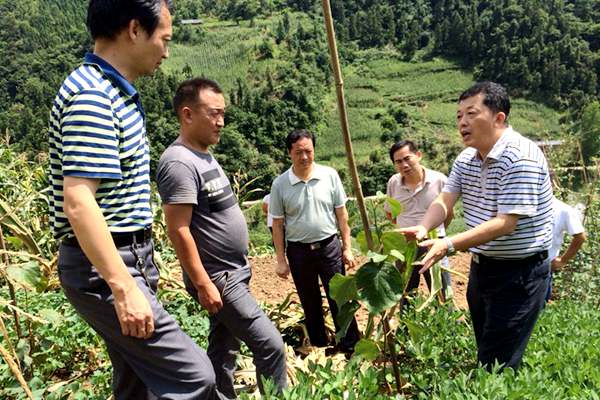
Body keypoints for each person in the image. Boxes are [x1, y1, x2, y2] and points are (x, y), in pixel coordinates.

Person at [49, 1, 223, 398]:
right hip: (108, 266)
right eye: (164, 38)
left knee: (136, 383)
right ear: (133, 30)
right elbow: (78, 201)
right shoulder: (92, 97)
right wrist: (123, 287)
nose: (167, 51)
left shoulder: (112, 92)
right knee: (196, 378)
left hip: (126, 258)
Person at [401, 81, 553, 371]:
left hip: (519, 274)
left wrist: (448, 244)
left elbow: (505, 224)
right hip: (482, 268)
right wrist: (423, 228)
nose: (462, 122)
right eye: (459, 116)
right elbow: (445, 200)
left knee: (496, 362)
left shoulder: (520, 157)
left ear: (499, 118)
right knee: (487, 347)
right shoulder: (467, 158)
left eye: (471, 114)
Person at [156, 78, 287, 399]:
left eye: (223, 113)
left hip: (232, 274)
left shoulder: (203, 155)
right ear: (187, 114)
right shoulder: (178, 163)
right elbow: (178, 229)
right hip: (219, 278)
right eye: (214, 113)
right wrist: (203, 283)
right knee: (271, 347)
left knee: (223, 350)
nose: (221, 122)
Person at [269, 129, 360, 356]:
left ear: (314, 150)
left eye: (308, 151)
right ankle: (321, 348)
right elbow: (277, 225)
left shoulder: (329, 175)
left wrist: (347, 248)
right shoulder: (280, 184)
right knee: (310, 302)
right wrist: (281, 260)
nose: (304, 157)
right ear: (289, 153)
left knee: (340, 298)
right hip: (299, 252)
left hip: (329, 247)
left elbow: (342, 214)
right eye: (298, 152)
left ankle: (351, 347)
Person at [385, 140, 453, 301]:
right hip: (405, 246)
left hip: (434, 243)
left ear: (418, 155)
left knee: (442, 293)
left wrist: (439, 233)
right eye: (398, 162)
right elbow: (390, 214)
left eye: (407, 158)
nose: (404, 164)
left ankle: (446, 324)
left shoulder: (439, 180)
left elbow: (449, 213)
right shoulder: (393, 183)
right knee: (405, 295)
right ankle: (406, 326)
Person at [546, 195, 586, 300]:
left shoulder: (563, 209)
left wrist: (562, 260)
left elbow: (580, 237)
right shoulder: (522, 206)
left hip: (544, 268)